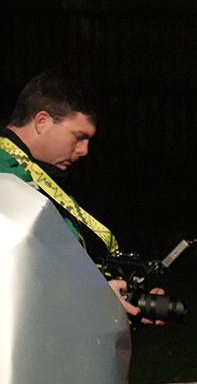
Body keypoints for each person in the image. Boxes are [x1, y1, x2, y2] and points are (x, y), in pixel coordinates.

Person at [2, 69, 163, 322]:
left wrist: (118, 293)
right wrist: (88, 296)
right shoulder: (6, 179)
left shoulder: (40, 179)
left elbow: (54, 263)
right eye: (78, 137)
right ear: (42, 121)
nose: (85, 150)